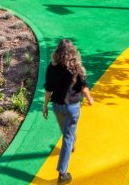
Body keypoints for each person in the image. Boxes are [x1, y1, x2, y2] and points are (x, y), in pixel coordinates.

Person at [42, 39, 93, 184]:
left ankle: (70, 143)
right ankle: (62, 174)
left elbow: (48, 88)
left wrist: (45, 106)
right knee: (68, 137)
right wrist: (89, 98)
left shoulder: (51, 67)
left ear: (57, 52)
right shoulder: (76, 68)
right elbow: (83, 86)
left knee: (67, 133)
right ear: (73, 52)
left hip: (57, 106)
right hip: (72, 107)